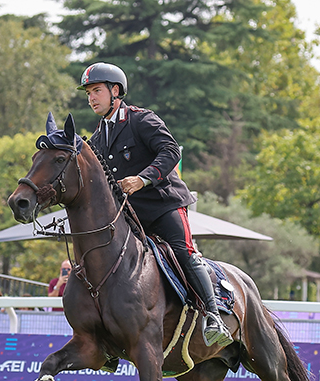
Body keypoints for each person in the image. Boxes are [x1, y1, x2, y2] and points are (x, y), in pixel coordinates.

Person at [79, 62, 232, 348]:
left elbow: (170, 151)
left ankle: (214, 316)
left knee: (184, 252)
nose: (91, 98)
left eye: (96, 90)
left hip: (164, 205)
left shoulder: (141, 120)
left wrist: (142, 179)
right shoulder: (98, 137)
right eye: (88, 93)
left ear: (116, 91)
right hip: (131, 217)